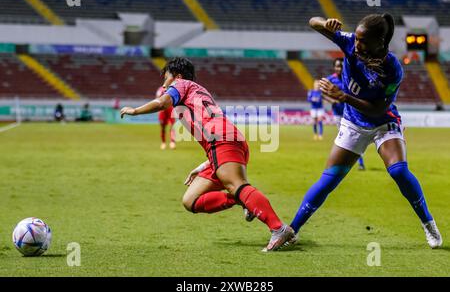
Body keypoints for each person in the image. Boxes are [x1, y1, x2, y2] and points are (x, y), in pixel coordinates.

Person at [288, 14, 442, 249]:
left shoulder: (392, 69)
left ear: (379, 42)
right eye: (356, 39)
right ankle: (291, 230)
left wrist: (344, 97)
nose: (356, 45)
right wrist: (325, 23)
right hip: (353, 123)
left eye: (362, 41)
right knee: (329, 180)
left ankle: (428, 223)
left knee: (399, 171)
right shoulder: (350, 41)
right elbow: (311, 22)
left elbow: (379, 107)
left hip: (383, 122)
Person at [120, 57, 295, 252]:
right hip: (222, 144)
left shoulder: (182, 84)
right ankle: (241, 199)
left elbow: (162, 103)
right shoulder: (195, 91)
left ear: (177, 77)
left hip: (222, 141)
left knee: (237, 185)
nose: (163, 83)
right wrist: (205, 165)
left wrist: (135, 110)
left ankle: (278, 228)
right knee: (190, 201)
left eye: (166, 77)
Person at [327, 58, 365, 170]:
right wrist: (331, 100)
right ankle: (347, 163)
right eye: (337, 66)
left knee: (353, 138)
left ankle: (359, 163)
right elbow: (322, 94)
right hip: (338, 114)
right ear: (334, 67)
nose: (339, 68)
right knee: (348, 139)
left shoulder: (349, 79)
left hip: (351, 114)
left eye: (341, 66)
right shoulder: (330, 79)